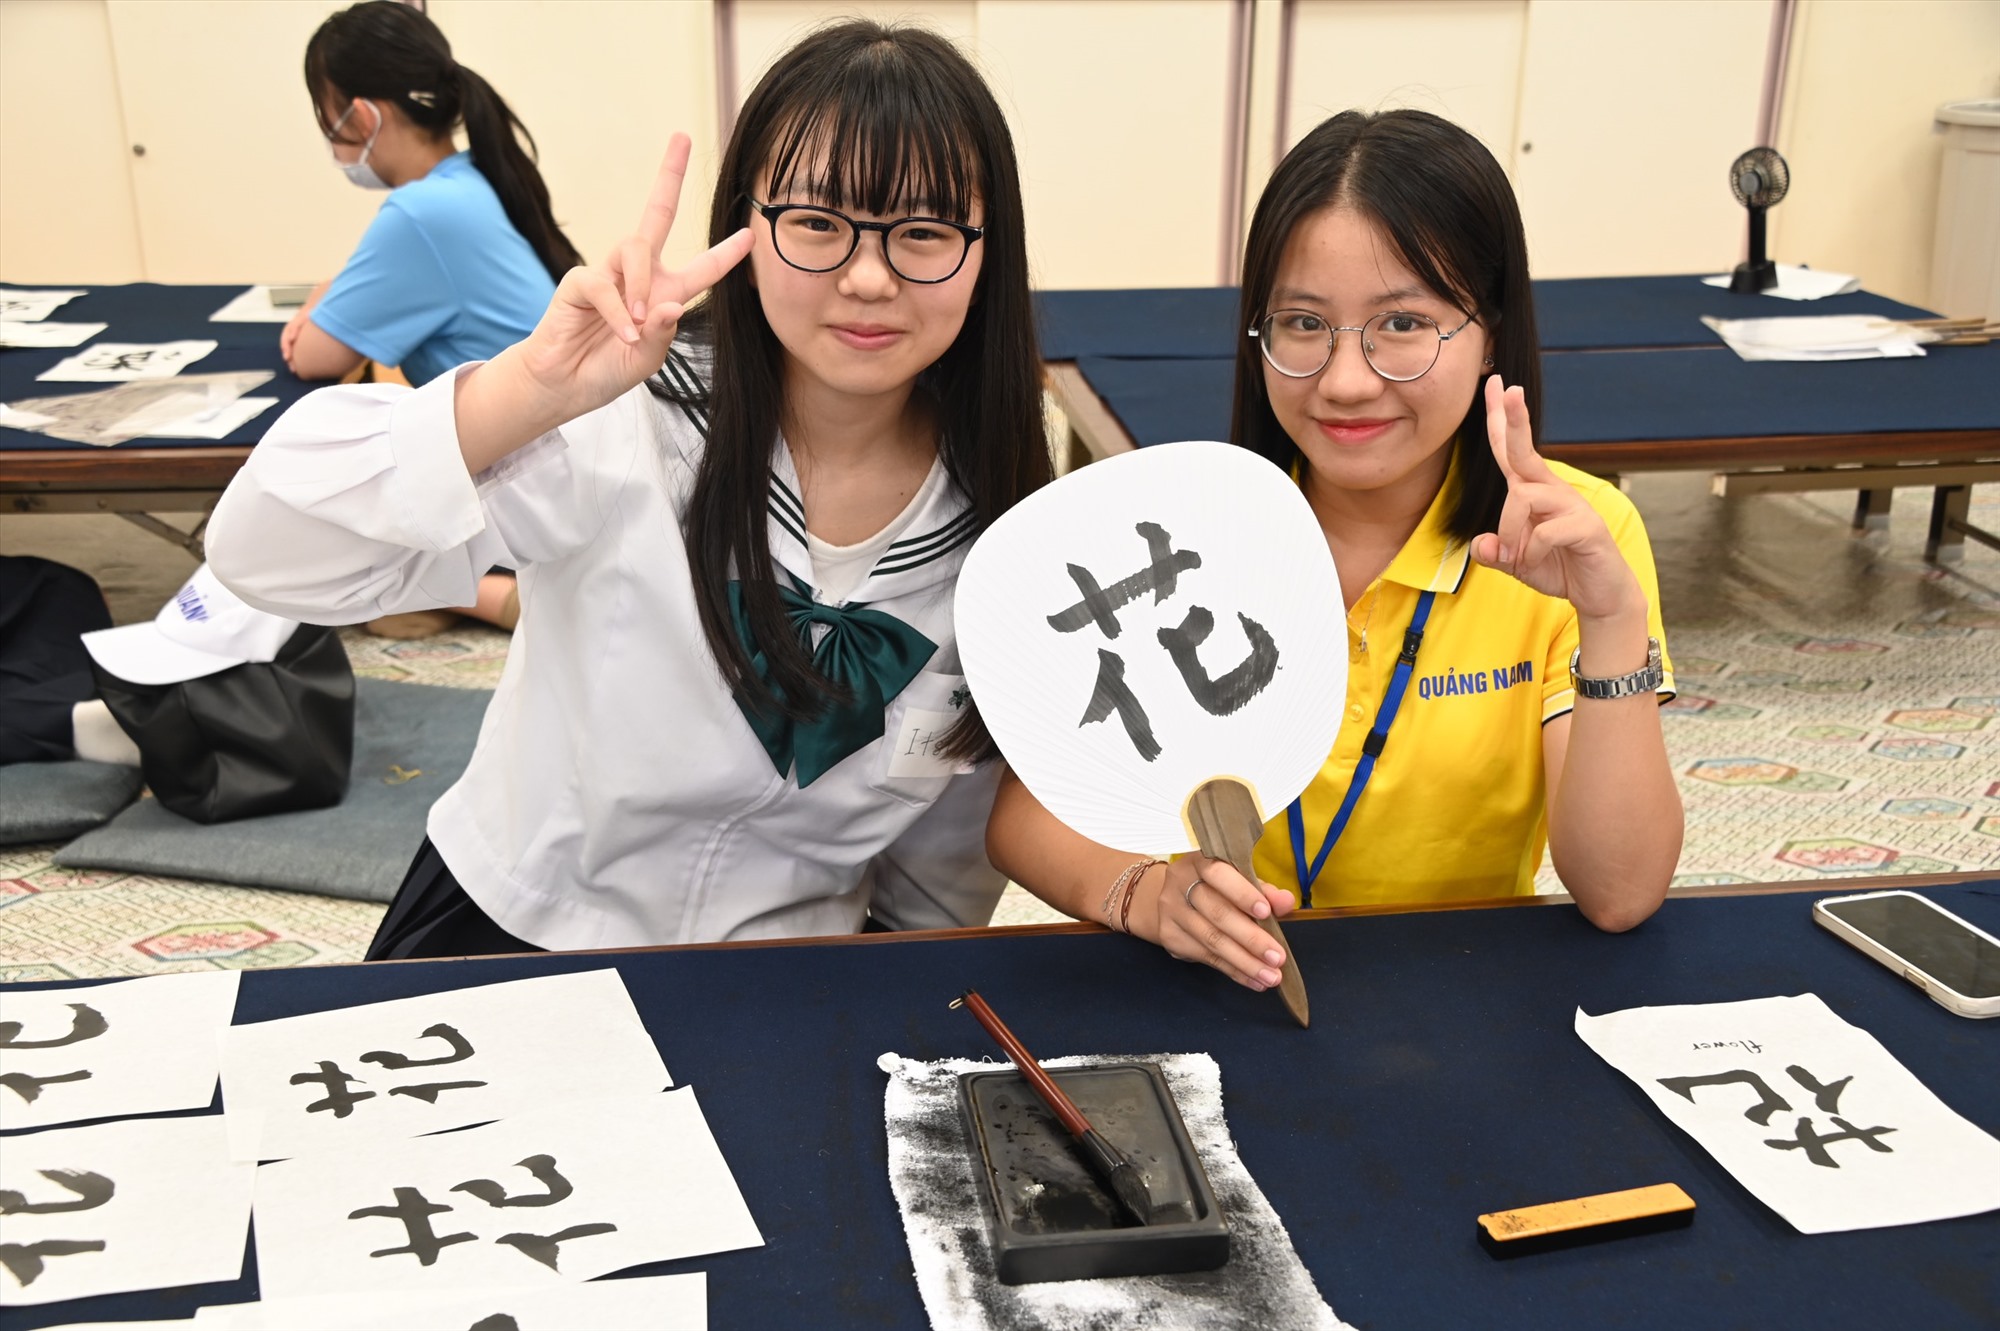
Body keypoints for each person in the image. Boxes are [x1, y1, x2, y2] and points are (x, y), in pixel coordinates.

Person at [206, 21, 1049, 957]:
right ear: (747, 226)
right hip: (521, 929)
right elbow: (259, 551)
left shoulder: (1003, 516)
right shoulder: (631, 419)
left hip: (782, 972)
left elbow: (941, 855)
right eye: (817, 222)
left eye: (923, 233)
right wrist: (524, 391)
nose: (865, 276)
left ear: (987, 250)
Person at [987, 109, 1683, 993]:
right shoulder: (1183, 527)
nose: (1347, 380)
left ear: (1492, 332)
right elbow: (1022, 813)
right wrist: (1148, 894)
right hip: (1209, 998)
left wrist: (1612, 620)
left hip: (1462, 1001)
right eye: (1304, 324)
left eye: (1403, 323)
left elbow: (1619, 894)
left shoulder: (1574, 534)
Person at [284, 0, 583, 633]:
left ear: (360, 115)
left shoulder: (420, 213)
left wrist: (316, 302)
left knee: (309, 527)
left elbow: (315, 356)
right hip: (563, 450)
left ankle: (492, 597)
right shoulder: (471, 177)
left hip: (531, 474)